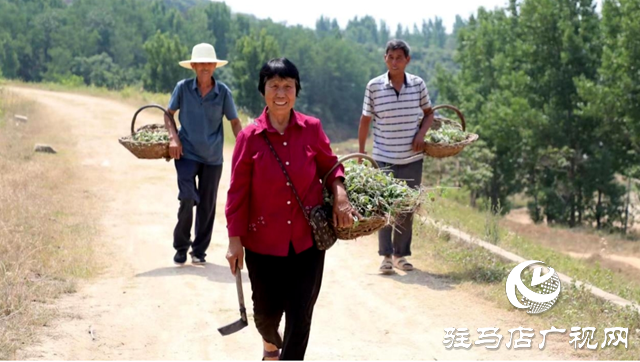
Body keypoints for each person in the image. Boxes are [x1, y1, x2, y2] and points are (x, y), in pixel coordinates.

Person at [225, 58, 359, 360]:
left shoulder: (311, 129)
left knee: (300, 315)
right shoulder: (249, 138)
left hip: (306, 241)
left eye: (288, 85)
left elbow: (331, 167)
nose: (281, 92)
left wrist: (340, 194)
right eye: (274, 85)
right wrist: (235, 241)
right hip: (262, 243)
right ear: (263, 91)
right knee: (265, 315)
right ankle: (270, 344)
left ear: (296, 90)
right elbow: (237, 192)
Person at [357, 39, 434, 274]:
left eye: (399, 58)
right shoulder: (374, 86)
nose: (394, 62)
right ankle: (386, 257)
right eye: (390, 57)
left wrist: (422, 133)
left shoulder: (418, 85)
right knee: (384, 207)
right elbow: (365, 121)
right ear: (385, 59)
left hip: (411, 158)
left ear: (407, 60)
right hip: (384, 157)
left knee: (407, 208)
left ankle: (401, 255)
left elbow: (429, 114)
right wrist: (361, 152)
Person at [163, 43, 242, 266]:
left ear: (214, 66)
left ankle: (199, 251)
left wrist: (246, 145)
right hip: (186, 154)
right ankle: (181, 247)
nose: (205, 67)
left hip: (213, 158)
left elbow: (234, 122)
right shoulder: (183, 88)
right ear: (194, 66)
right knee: (187, 198)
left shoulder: (223, 92)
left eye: (209, 63)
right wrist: (173, 138)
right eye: (201, 63)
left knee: (207, 205)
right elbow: (168, 115)